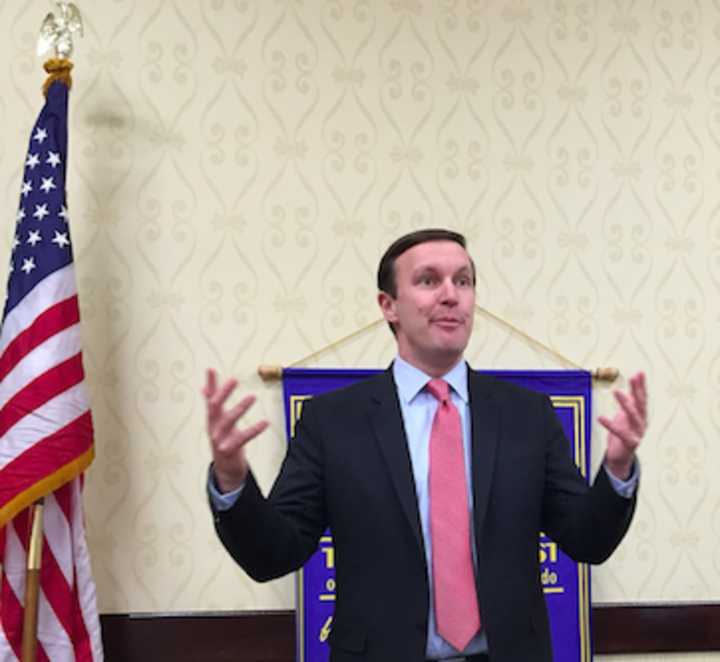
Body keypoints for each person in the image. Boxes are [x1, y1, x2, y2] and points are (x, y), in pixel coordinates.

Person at [204, 228, 647, 662]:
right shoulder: (333, 422)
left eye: (464, 281)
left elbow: (588, 541)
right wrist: (231, 479)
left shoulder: (527, 416)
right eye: (428, 280)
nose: (451, 295)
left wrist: (618, 468)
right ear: (389, 305)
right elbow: (274, 555)